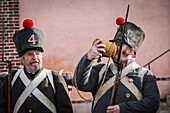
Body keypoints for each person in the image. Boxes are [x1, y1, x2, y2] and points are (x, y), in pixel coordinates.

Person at [73, 17, 160, 113]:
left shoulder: (145, 75)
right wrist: (88, 58)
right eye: (115, 43)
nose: (115, 47)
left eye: (119, 44)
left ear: (130, 51)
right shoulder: (101, 70)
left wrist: (122, 109)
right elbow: (80, 84)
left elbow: (152, 103)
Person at [0, 19, 73, 113]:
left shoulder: (55, 78)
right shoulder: (11, 79)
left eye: (38, 53)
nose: (35, 57)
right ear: (22, 59)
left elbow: (65, 110)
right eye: (30, 54)